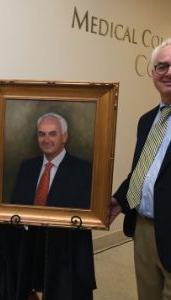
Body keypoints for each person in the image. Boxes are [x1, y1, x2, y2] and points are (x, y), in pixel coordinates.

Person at [0, 112, 96, 300]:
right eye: (41, 134)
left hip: (63, 246)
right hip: (28, 241)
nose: (46, 139)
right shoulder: (27, 166)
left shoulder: (83, 169)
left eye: (53, 134)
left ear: (65, 136)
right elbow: (16, 206)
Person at [110, 38, 171, 300]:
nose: (168, 73)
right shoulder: (148, 120)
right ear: (152, 73)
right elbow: (143, 171)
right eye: (162, 66)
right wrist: (118, 200)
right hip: (144, 230)